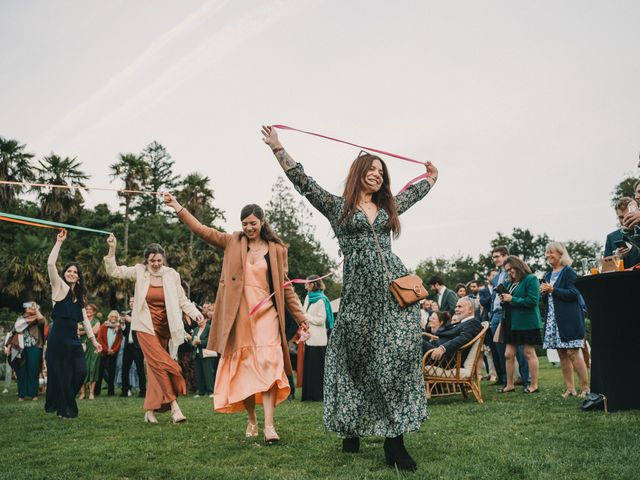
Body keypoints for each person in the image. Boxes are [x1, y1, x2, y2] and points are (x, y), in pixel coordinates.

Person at [262, 125, 437, 471]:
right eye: (371, 170)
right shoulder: (338, 208)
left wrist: (431, 179)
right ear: (359, 174)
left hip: (394, 293)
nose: (376, 175)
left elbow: (413, 196)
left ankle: (395, 441)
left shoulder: (389, 207)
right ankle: (350, 427)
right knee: (353, 362)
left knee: (398, 358)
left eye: (381, 172)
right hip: (358, 297)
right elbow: (304, 184)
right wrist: (278, 148)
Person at [163, 193, 308, 444]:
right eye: (245, 224)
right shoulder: (232, 242)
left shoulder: (276, 250)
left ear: (262, 221)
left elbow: (286, 287)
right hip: (240, 316)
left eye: (253, 223)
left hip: (267, 316)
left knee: (271, 365)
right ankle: (252, 418)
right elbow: (202, 230)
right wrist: (178, 207)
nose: (249, 228)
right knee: (246, 370)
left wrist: (301, 316)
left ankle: (270, 426)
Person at [104, 235, 203, 424]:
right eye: (152, 260)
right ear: (146, 260)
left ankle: (150, 411)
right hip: (145, 326)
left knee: (154, 367)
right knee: (162, 363)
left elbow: (182, 299)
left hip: (165, 327)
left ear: (163, 259)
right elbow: (115, 271)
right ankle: (175, 408)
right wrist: (112, 249)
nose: (156, 264)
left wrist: (195, 313)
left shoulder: (172, 274)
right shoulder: (140, 271)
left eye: (159, 260)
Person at [45, 230, 102, 418]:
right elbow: (51, 263)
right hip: (58, 339)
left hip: (74, 339)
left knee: (80, 372)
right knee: (61, 375)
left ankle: (63, 401)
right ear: (64, 274)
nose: (71, 273)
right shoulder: (58, 287)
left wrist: (93, 341)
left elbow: (85, 320)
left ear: (78, 277)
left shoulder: (79, 297)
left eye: (74, 272)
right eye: (69, 271)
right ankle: (64, 409)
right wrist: (59, 242)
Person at [541, 242, 590, 398]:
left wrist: (553, 290)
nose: (548, 255)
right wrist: (543, 292)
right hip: (553, 320)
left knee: (573, 353)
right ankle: (570, 388)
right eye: (546, 253)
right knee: (561, 354)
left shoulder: (568, 272)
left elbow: (574, 293)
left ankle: (585, 388)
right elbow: (547, 300)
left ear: (561, 254)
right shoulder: (548, 275)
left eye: (551, 252)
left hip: (569, 318)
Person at [497, 256, 541, 394]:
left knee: (529, 353)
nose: (509, 272)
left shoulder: (531, 279)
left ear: (519, 266)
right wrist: (504, 299)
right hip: (512, 323)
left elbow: (533, 301)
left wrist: (512, 299)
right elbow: (511, 302)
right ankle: (510, 385)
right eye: (507, 270)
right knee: (508, 354)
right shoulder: (511, 283)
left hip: (527, 322)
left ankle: (534, 385)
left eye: (511, 269)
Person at [489, 247, 530, 388]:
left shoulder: (513, 273)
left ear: (506, 256)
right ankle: (506, 380)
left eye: (497, 256)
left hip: (511, 311)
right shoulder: (495, 277)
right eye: (493, 257)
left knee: (518, 348)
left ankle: (526, 379)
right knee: (501, 350)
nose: (495, 260)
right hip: (496, 314)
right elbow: (493, 297)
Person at [301, 275, 331, 402]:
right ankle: (308, 395)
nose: (305, 285)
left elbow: (321, 319)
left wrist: (307, 317)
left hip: (318, 340)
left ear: (313, 284)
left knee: (317, 369)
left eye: (307, 283)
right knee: (308, 368)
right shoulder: (308, 297)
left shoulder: (321, 300)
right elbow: (303, 312)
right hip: (309, 337)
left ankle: (318, 395)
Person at [11, 302, 47, 401]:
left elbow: (43, 321)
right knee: (21, 370)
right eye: (30, 307)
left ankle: (34, 394)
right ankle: (21, 395)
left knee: (33, 370)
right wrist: (9, 346)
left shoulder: (38, 318)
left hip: (34, 346)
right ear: (25, 309)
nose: (31, 308)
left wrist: (36, 310)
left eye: (34, 307)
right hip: (20, 347)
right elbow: (13, 332)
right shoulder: (20, 319)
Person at [121, 298, 146, 398]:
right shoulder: (128, 315)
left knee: (140, 369)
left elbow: (142, 327)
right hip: (128, 346)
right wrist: (123, 325)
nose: (131, 303)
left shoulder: (141, 314)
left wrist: (131, 321)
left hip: (138, 346)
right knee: (124, 369)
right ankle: (125, 391)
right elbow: (125, 332)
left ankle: (143, 391)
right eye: (130, 301)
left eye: (133, 301)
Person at [604, 197, 640, 267]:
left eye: (628, 215)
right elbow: (606, 268)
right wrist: (616, 257)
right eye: (621, 217)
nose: (624, 220)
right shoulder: (611, 237)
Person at [97, 311, 123, 397]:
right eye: (112, 316)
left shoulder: (119, 328)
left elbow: (119, 341)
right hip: (104, 352)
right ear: (109, 317)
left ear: (117, 318)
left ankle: (111, 391)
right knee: (100, 372)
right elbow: (100, 338)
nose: (113, 318)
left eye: (115, 317)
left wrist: (113, 350)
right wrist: (106, 349)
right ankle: (97, 391)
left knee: (112, 372)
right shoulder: (104, 326)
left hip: (113, 353)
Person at [78, 303, 100, 400]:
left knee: (92, 368)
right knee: (82, 369)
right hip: (82, 345)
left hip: (93, 346)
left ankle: (91, 392)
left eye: (90, 309)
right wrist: (88, 329)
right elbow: (77, 331)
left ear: (94, 311)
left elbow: (95, 332)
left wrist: (84, 329)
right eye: (86, 309)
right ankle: (82, 393)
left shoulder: (97, 321)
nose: (88, 311)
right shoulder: (80, 321)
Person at [191, 315, 215, 398]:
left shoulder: (209, 328)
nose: (199, 321)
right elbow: (192, 340)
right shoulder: (195, 329)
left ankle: (211, 391)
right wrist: (193, 342)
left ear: (205, 319)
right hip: (197, 353)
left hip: (206, 353)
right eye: (197, 319)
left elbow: (211, 340)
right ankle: (201, 391)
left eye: (200, 319)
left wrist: (200, 341)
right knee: (198, 373)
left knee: (208, 373)